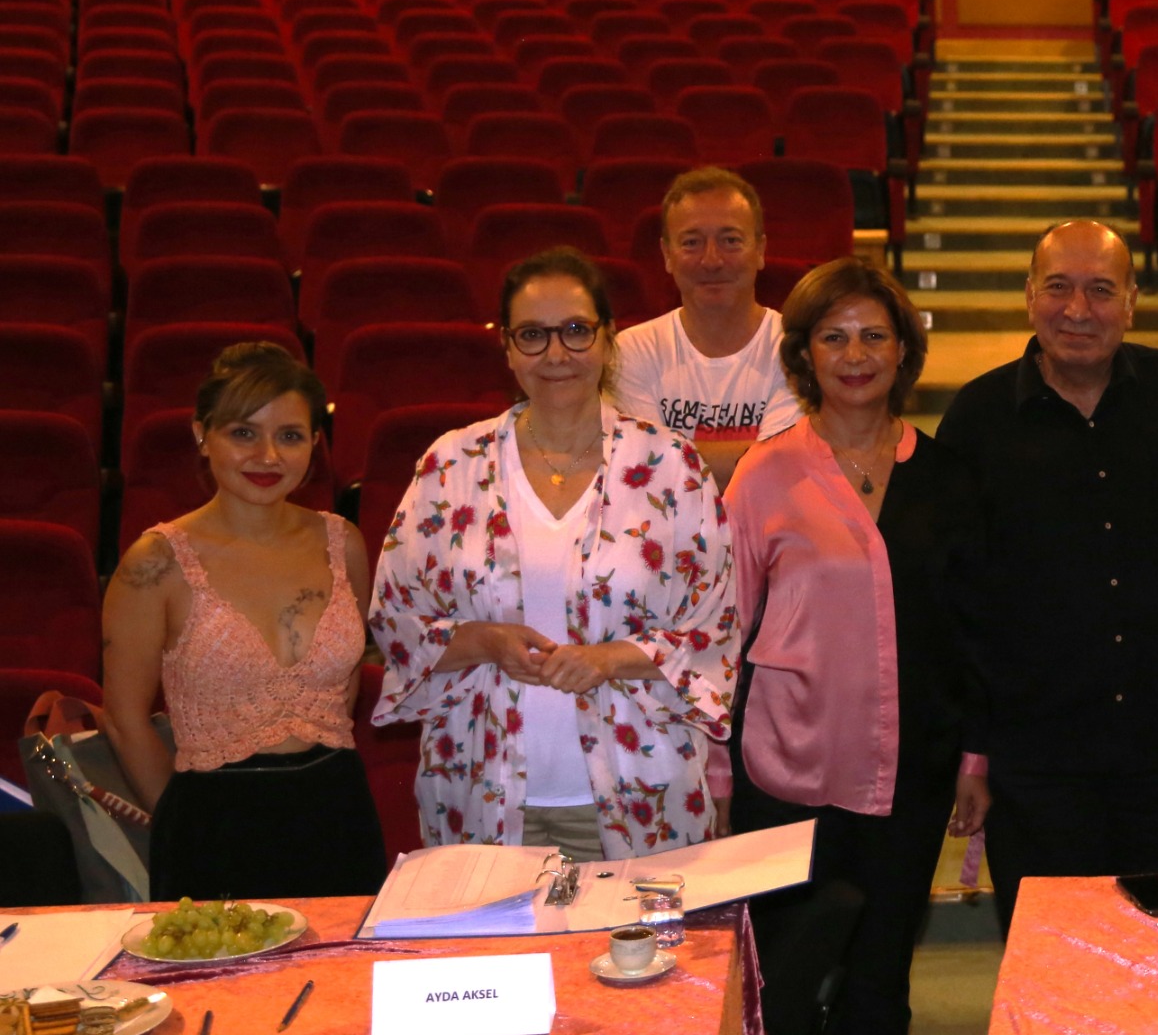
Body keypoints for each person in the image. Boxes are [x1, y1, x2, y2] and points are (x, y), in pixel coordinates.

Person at [720, 258, 990, 1035]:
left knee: (883, 972)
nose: (855, 355)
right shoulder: (766, 472)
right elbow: (728, 625)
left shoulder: (947, 472)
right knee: (799, 982)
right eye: (833, 337)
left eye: (873, 335)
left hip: (912, 767)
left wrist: (975, 751)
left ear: (903, 351)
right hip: (787, 767)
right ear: (803, 355)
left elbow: (970, 628)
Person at [369, 248, 738, 858]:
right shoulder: (450, 465)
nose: (557, 354)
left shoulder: (673, 466)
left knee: (641, 957)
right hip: (478, 791)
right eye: (533, 336)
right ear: (508, 349)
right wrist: (486, 641)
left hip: (640, 793)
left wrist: (609, 658)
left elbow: (716, 629)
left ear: (608, 338)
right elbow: (395, 623)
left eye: (575, 331)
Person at [936, 220, 1158, 933]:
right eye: (1059, 288)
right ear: (1029, 296)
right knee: (1051, 965)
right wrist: (972, 750)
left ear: (1131, 301)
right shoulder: (976, 418)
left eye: (1101, 290)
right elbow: (957, 599)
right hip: (1036, 755)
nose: (1078, 309)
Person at [98, 342, 387, 901]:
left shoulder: (343, 543)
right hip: (210, 826)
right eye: (244, 433)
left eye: (290, 436)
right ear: (202, 434)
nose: (269, 456)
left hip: (336, 813)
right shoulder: (155, 562)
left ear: (315, 444)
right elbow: (124, 721)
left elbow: (345, 684)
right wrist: (183, 819)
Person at [612, 167, 803, 488]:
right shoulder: (630, 351)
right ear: (667, 254)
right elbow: (643, 471)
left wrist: (669, 456)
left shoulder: (797, 346)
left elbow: (780, 471)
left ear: (760, 250)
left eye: (731, 240)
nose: (711, 260)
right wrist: (755, 455)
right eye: (691, 243)